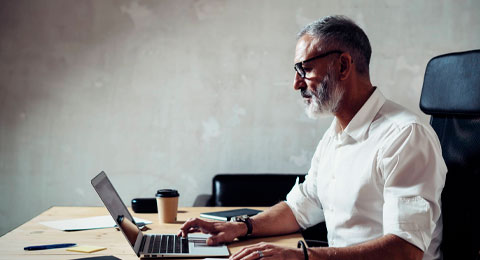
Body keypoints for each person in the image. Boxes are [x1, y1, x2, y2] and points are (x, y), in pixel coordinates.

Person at [178, 15, 447, 260]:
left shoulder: (405, 137)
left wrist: (304, 257)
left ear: (343, 66)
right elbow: (301, 205)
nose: (296, 83)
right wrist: (241, 227)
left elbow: (405, 250)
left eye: (304, 69)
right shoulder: (336, 134)